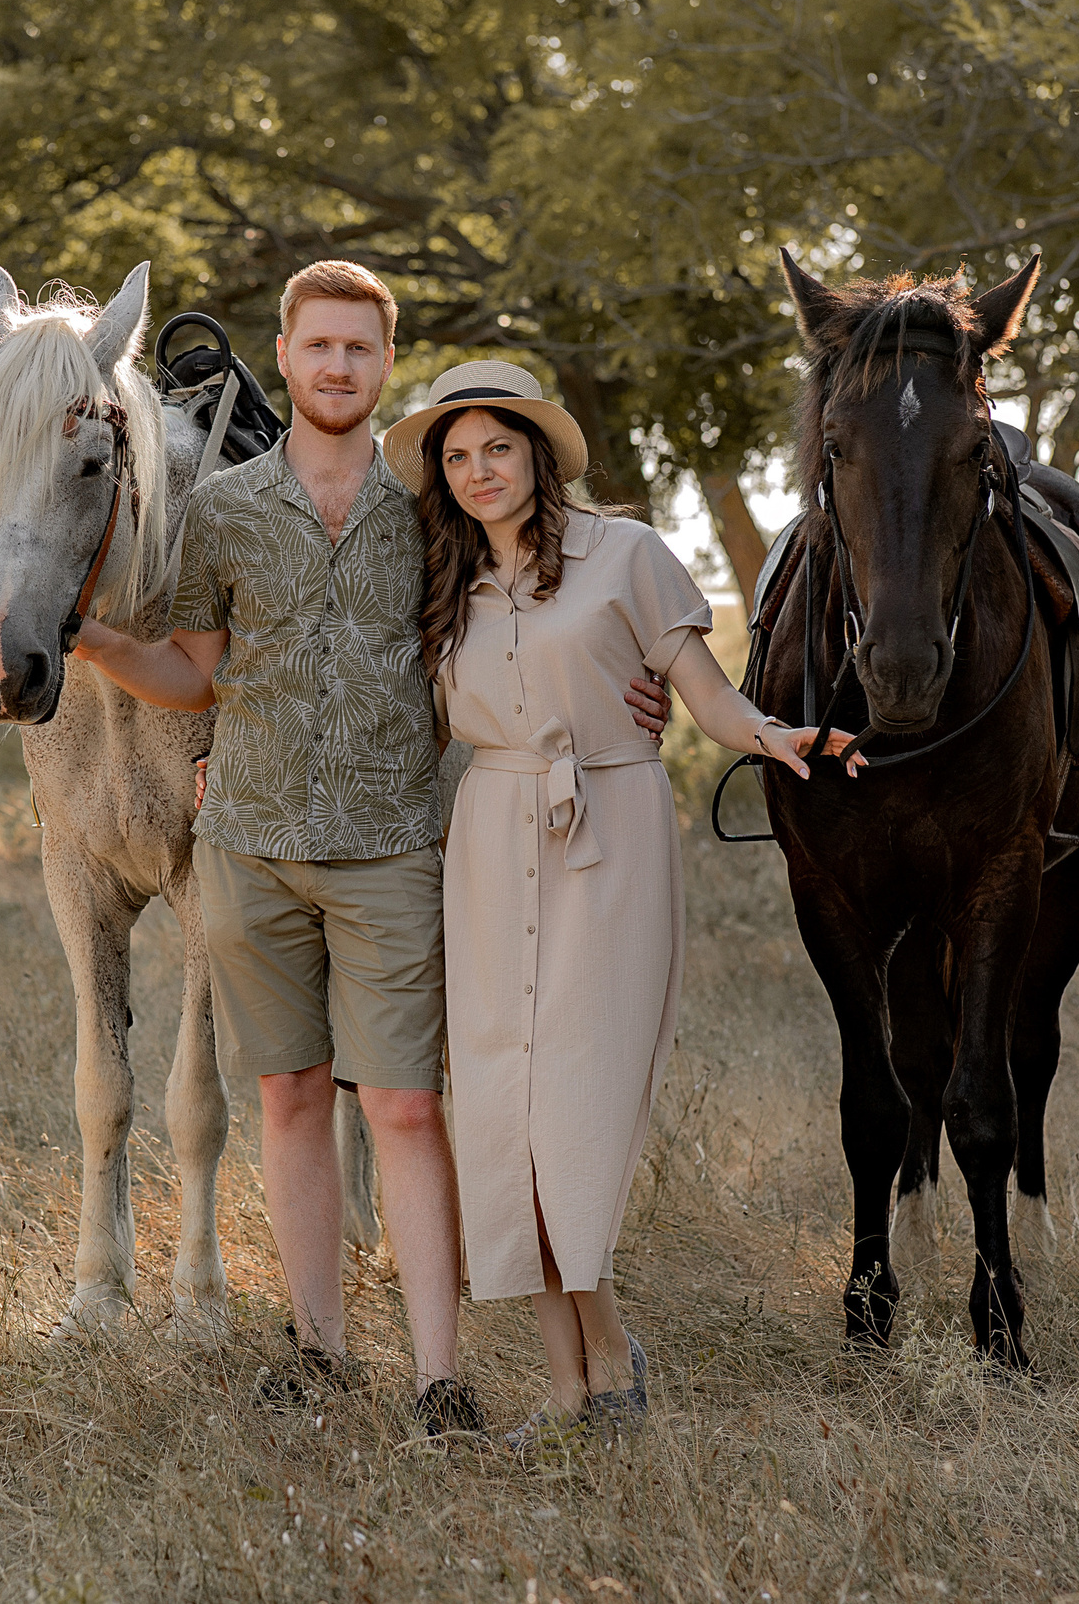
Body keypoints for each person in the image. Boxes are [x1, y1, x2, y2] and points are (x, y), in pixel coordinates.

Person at [69, 264, 667, 1440]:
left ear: (383, 366)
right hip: (248, 847)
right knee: (289, 1095)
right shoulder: (225, 512)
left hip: (395, 849)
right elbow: (194, 672)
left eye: (359, 349)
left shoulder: (433, 509)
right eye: (317, 346)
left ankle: (438, 1376)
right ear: (283, 357)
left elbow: (540, 607)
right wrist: (89, 640)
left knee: (400, 1108)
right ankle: (319, 1350)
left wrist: (628, 690)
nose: (337, 366)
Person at [382, 359, 858, 1449]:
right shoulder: (441, 580)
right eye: (454, 458)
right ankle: (582, 1383)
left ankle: (606, 1371)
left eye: (495, 448)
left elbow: (707, 698)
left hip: (607, 836)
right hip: (491, 846)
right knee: (505, 1122)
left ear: (538, 454)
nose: (476, 472)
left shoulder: (627, 555)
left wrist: (777, 738)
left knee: (575, 1122)